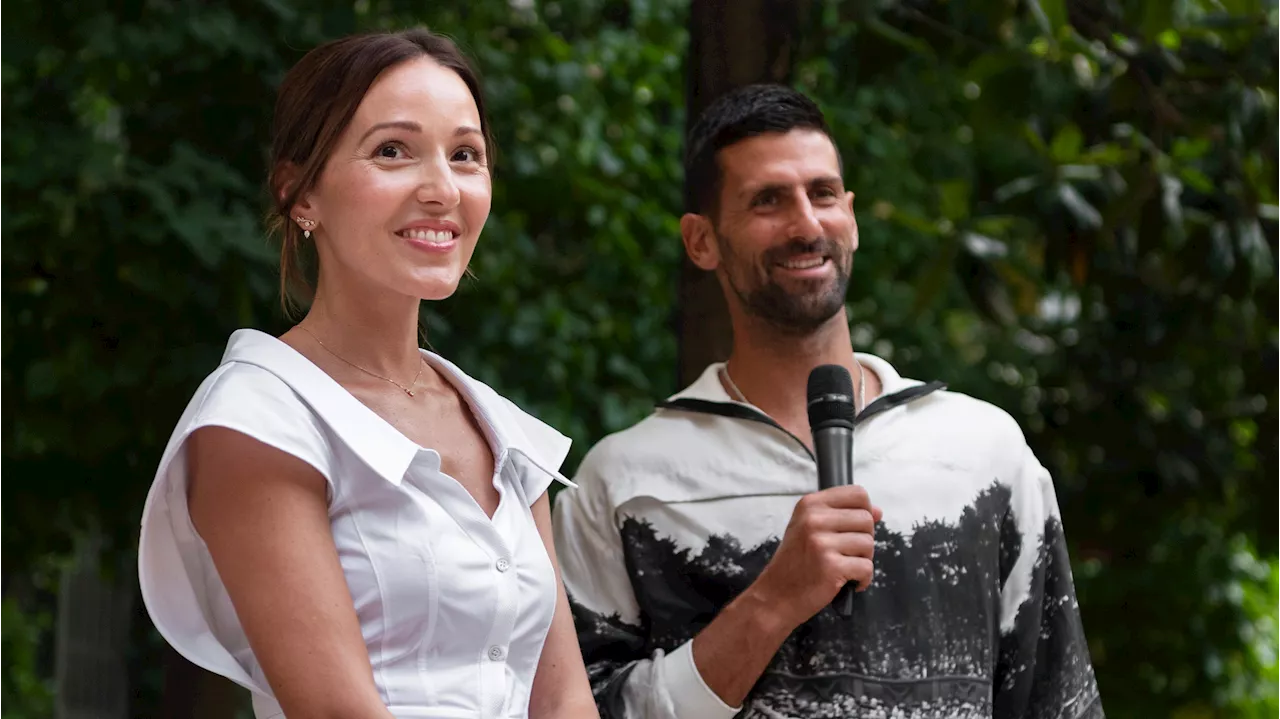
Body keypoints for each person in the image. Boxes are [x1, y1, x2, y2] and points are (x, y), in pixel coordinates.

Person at [552, 83, 1104, 719]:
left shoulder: (984, 455)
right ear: (701, 241)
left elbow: (1055, 702)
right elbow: (579, 709)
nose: (806, 224)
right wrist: (772, 601)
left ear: (852, 218)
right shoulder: (625, 483)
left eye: (822, 194)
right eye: (768, 201)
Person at [138, 28, 598, 719]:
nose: (442, 188)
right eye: (393, 151)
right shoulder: (257, 420)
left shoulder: (506, 431)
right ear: (299, 193)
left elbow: (563, 698)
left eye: (466, 155)